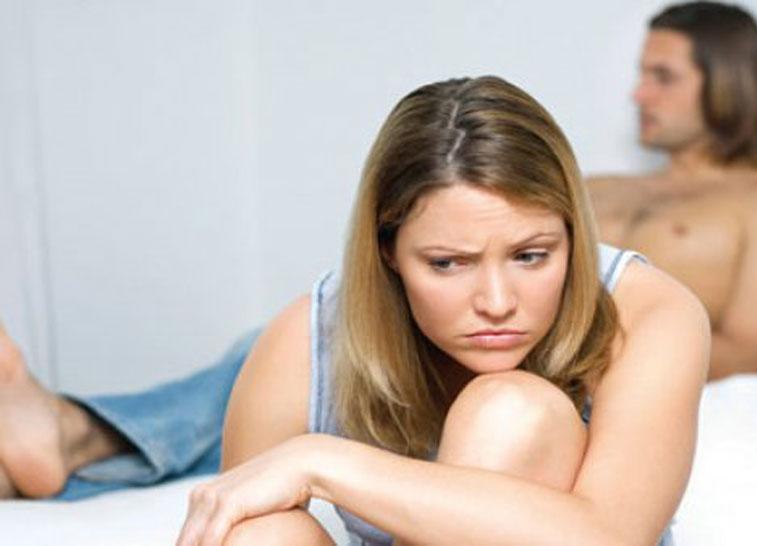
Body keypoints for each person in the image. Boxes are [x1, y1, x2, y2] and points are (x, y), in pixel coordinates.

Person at [4, 76, 709, 545]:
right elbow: (231, 521)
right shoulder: (306, 339)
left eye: (531, 255)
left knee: (511, 410)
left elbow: (609, 535)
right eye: (448, 264)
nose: (498, 302)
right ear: (388, 253)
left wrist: (320, 460)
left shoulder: (649, 312)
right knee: (260, 531)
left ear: (574, 239)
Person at [588, 1, 757, 380]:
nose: (639, 95)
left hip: (639, 388)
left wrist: (578, 353)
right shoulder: (590, 187)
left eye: (663, 77)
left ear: (727, 84)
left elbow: (746, 358)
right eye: (642, 75)